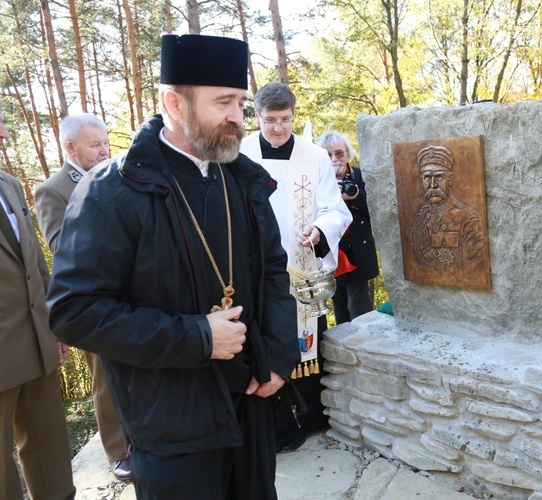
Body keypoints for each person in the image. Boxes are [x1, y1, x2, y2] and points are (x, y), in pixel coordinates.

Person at [47, 34, 299, 499]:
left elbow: (273, 274)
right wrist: (197, 337)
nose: (236, 118)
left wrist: (281, 355)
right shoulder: (113, 189)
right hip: (172, 428)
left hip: (251, 406)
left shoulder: (241, 179)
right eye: (223, 102)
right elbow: (74, 312)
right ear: (174, 103)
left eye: (241, 103)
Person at [240, 83, 351, 452]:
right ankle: (262, 429)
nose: (278, 129)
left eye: (285, 120)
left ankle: (304, 421)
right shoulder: (237, 153)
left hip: (301, 270)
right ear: (256, 116)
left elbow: (336, 210)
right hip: (252, 272)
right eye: (270, 120)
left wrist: (319, 229)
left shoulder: (315, 156)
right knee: (258, 343)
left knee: (304, 343)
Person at [34, 112, 132, 482]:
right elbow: (61, 246)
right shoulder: (52, 190)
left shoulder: (115, 176)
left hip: (128, 291)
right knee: (106, 376)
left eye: (106, 142)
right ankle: (119, 452)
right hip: (91, 299)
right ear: (71, 147)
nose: (105, 150)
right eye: (96, 145)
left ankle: (139, 437)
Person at [0, 109, 76, 500]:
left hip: (35, 340)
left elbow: (35, 263)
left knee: (49, 444)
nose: (4, 133)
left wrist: (54, 326)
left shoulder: (9, 184)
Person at [317, 131, 379, 324]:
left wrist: (355, 197)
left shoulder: (362, 176)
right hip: (334, 253)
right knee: (340, 308)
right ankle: (343, 351)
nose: (334, 159)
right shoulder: (316, 180)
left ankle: (364, 347)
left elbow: (378, 214)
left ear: (348, 154)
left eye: (339, 153)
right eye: (328, 155)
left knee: (359, 306)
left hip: (359, 251)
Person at [409, 144, 486, 269]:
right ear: (421, 180)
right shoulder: (420, 217)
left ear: (449, 179)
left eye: (439, 177)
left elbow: (475, 268)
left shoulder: (468, 218)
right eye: (427, 177)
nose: (433, 185)